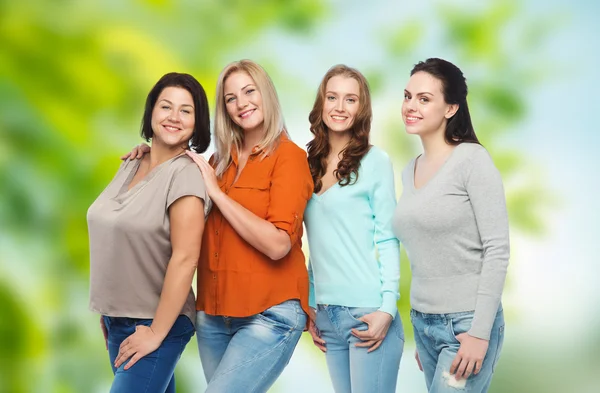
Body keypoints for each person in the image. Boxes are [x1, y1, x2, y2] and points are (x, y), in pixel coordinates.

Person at [123, 60, 313, 392]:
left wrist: (218, 195)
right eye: (230, 98)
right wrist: (148, 153)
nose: (242, 104)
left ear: (266, 93)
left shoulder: (289, 157)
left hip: (270, 315)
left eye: (249, 91)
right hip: (212, 317)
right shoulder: (217, 162)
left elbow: (278, 244)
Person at [88, 72, 211, 393]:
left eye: (186, 111)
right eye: (165, 106)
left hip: (157, 323)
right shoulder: (131, 162)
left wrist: (156, 332)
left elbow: (186, 258)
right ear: (151, 112)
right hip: (118, 320)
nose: (173, 117)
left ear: (198, 123)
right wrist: (111, 308)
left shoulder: (186, 176)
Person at [393, 58, 509, 393]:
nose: (411, 106)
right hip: (425, 324)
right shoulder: (409, 169)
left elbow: (498, 249)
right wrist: (425, 332)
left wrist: (479, 332)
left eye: (424, 99)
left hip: (466, 325)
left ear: (450, 108)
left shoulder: (472, 161)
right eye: (407, 96)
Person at [304, 64, 404, 393]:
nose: (340, 107)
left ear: (361, 108)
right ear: (321, 104)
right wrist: (313, 302)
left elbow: (388, 238)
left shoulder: (375, 162)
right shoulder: (308, 165)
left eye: (350, 99)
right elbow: (316, 243)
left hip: (368, 311)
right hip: (328, 317)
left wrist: (387, 309)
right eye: (332, 97)